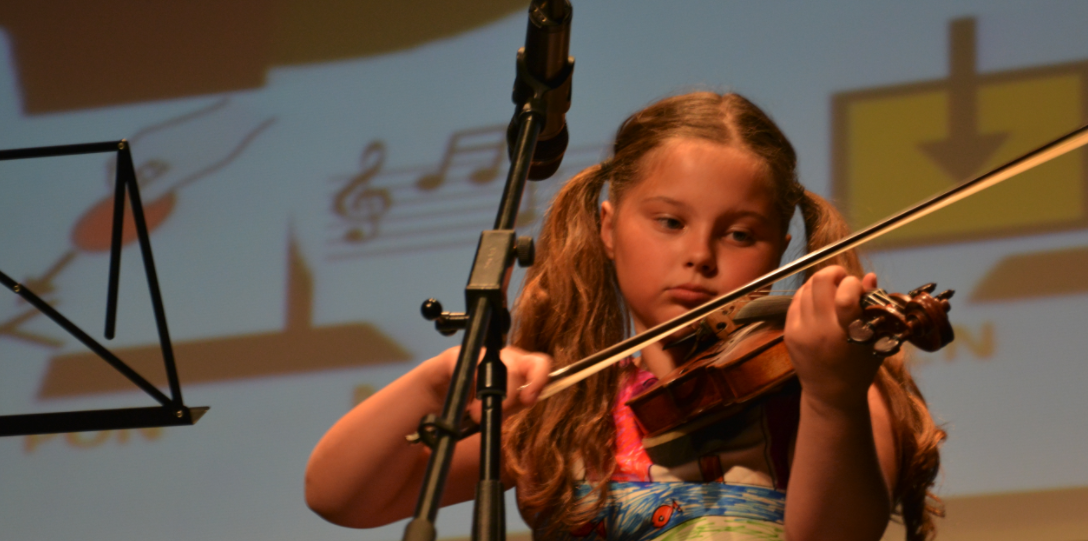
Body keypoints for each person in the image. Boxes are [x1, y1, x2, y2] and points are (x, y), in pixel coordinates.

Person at [305, 92, 945, 541]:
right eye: (669, 222)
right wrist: (438, 380)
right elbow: (343, 498)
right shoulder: (569, 410)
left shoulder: (822, 387)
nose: (698, 256)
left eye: (741, 234)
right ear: (609, 228)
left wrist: (834, 395)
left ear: (781, 249)